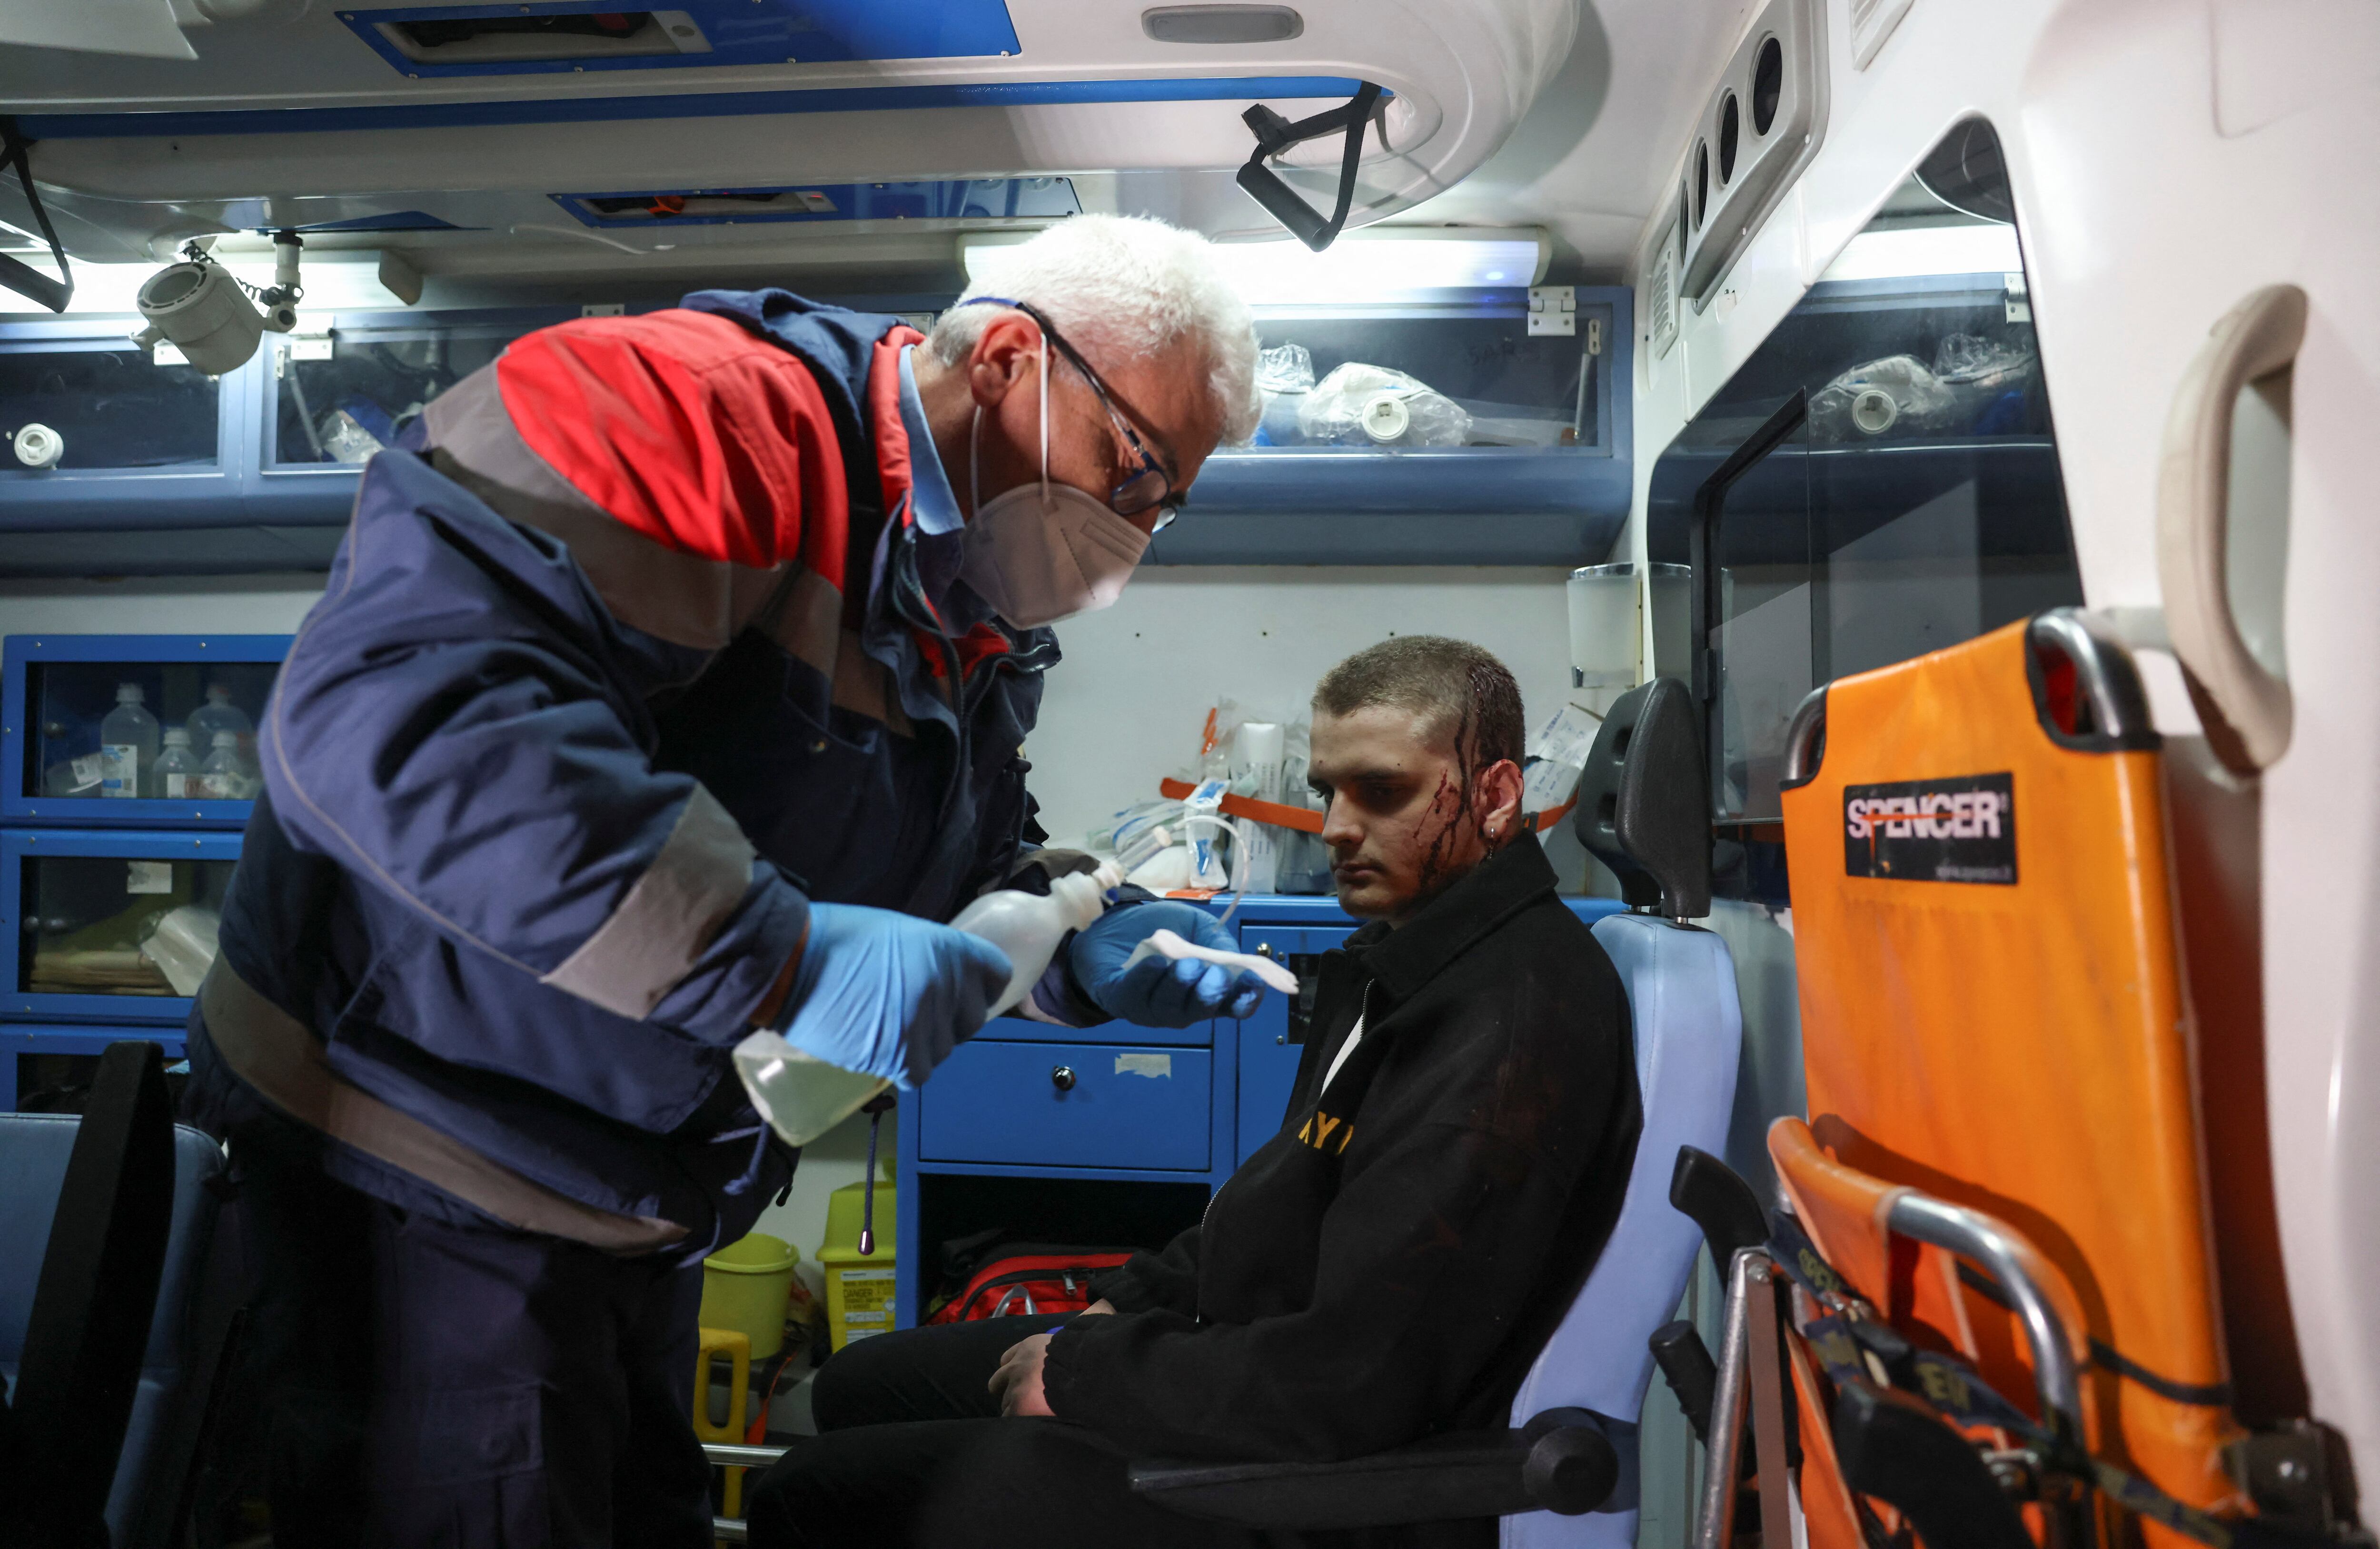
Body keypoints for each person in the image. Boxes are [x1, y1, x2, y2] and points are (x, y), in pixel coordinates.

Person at [179, 215, 1279, 1546]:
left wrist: (1082, 937)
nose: (1137, 531)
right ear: (1006, 360)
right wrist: (782, 960)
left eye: (1167, 502)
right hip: (422, 1161)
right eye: (1135, 467)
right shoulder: (683, 413)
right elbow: (413, 732)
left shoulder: (961, 591)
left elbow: (947, 862)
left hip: (631, 1198)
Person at [747, 636, 1643, 1549]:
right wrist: (1123, 1307)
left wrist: (1086, 1372)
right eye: (1327, 791)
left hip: (1319, 1488)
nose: (1336, 827)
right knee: (861, 1383)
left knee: (810, 1496)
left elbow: (1356, 1380)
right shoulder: (1403, 967)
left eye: (1382, 791)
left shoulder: (1506, 1027)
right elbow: (1276, 1215)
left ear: (1495, 796)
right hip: (1263, 1365)